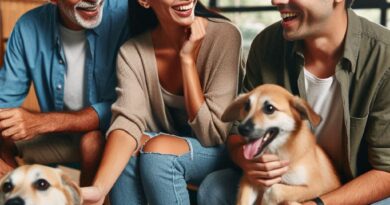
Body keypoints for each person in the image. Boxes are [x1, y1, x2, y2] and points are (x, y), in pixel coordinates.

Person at [198, 0, 390, 204]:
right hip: (289, 175)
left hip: (361, 185)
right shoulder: (266, 44)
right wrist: (248, 161)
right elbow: (237, 133)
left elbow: (386, 170)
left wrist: (318, 203)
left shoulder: (384, 56)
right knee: (214, 188)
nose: (276, 1)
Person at [81, 0, 243, 204]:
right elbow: (127, 123)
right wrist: (99, 189)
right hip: (161, 149)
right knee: (128, 150)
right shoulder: (133, 52)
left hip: (223, 151)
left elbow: (213, 134)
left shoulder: (225, 35)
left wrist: (187, 61)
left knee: (159, 154)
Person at [0, 0, 130, 186]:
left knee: (91, 141)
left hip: (110, 136)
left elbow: (126, 107)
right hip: (61, 137)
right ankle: (20, 192)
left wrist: (42, 123)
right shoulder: (28, 26)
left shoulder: (126, 16)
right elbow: (4, 102)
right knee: (4, 135)